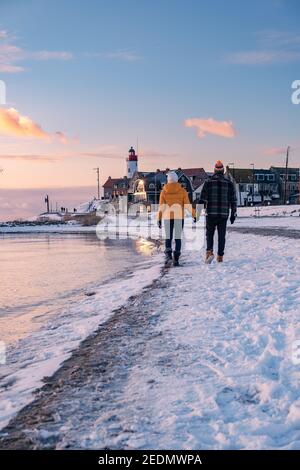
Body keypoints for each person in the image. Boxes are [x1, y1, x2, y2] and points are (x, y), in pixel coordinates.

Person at [200, 160, 237, 263]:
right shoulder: (229, 184)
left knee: (210, 234)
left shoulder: (208, 182)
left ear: (215, 170)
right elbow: (233, 200)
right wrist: (233, 213)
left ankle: (209, 252)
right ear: (223, 171)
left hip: (211, 213)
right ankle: (220, 256)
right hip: (223, 214)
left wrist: (197, 213)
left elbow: (202, 199)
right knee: (221, 235)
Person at [157, 171, 196, 267]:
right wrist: (194, 215)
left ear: (168, 180)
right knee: (178, 238)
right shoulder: (182, 191)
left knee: (168, 237)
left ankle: (168, 257)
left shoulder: (164, 191)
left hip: (167, 217)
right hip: (179, 217)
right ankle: (176, 259)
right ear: (176, 179)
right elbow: (187, 205)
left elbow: (161, 206)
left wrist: (159, 218)